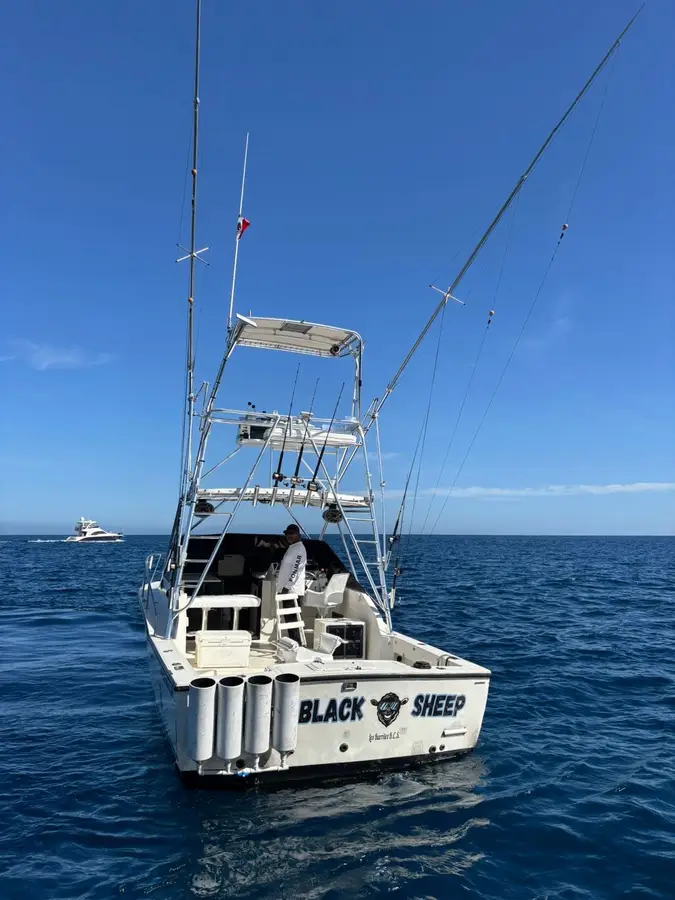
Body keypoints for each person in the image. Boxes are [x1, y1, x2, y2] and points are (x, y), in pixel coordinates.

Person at [277, 524, 307, 597]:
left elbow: (296, 570)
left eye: (291, 533)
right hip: (286, 591)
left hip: (292, 592)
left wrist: (286, 587)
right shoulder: (292, 547)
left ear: (298, 535)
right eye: (287, 534)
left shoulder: (299, 549)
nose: (289, 536)